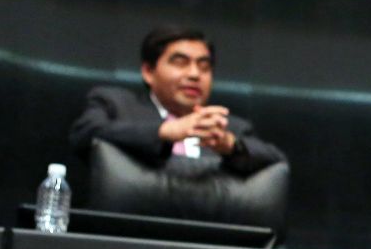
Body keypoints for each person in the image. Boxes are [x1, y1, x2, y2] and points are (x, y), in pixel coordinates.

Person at [69, 27, 286, 175]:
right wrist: (165, 132)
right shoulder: (115, 105)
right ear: (148, 71)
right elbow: (85, 133)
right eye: (180, 63)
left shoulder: (227, 127)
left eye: (204, 66)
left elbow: (277, 160)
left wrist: (230, 145)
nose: (194, 74)